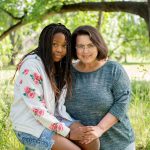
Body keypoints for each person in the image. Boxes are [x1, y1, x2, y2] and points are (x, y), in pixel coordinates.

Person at [10, 23, 85, 150]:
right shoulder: (31, 66)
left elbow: (82, 62)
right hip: (30, 126)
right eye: (54, 44)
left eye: (64, 46)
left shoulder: (59, 64)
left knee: (90, 140)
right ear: (45, 43)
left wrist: (101, 59)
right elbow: (37, 111)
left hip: (52, 118)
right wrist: (68, 132)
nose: (59, 50)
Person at [65, 25, 135, 150]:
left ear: (98, 45)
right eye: (81, 46)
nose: (85, 51)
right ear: (74, 49)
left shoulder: (113, 69)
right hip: (81, 146)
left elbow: (122, 102)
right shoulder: (67, 72)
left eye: (90, 45)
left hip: (118, 144)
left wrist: (100, 129)